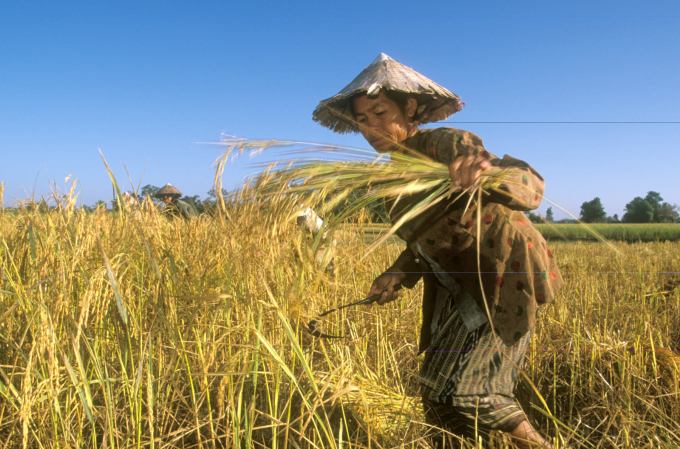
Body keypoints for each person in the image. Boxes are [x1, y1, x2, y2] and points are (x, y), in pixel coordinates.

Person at [312, 53, 563, 448]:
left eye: (379, 112)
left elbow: (528, 186)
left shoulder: (447, 144)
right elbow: (424, 243)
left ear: (409, 108)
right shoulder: (390, 178)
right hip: (457, 287)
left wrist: (487, 173)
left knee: (473, 393)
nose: (371, 127)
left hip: (499, 278)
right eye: (362, 120)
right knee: (436, 393)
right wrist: (398, 272)